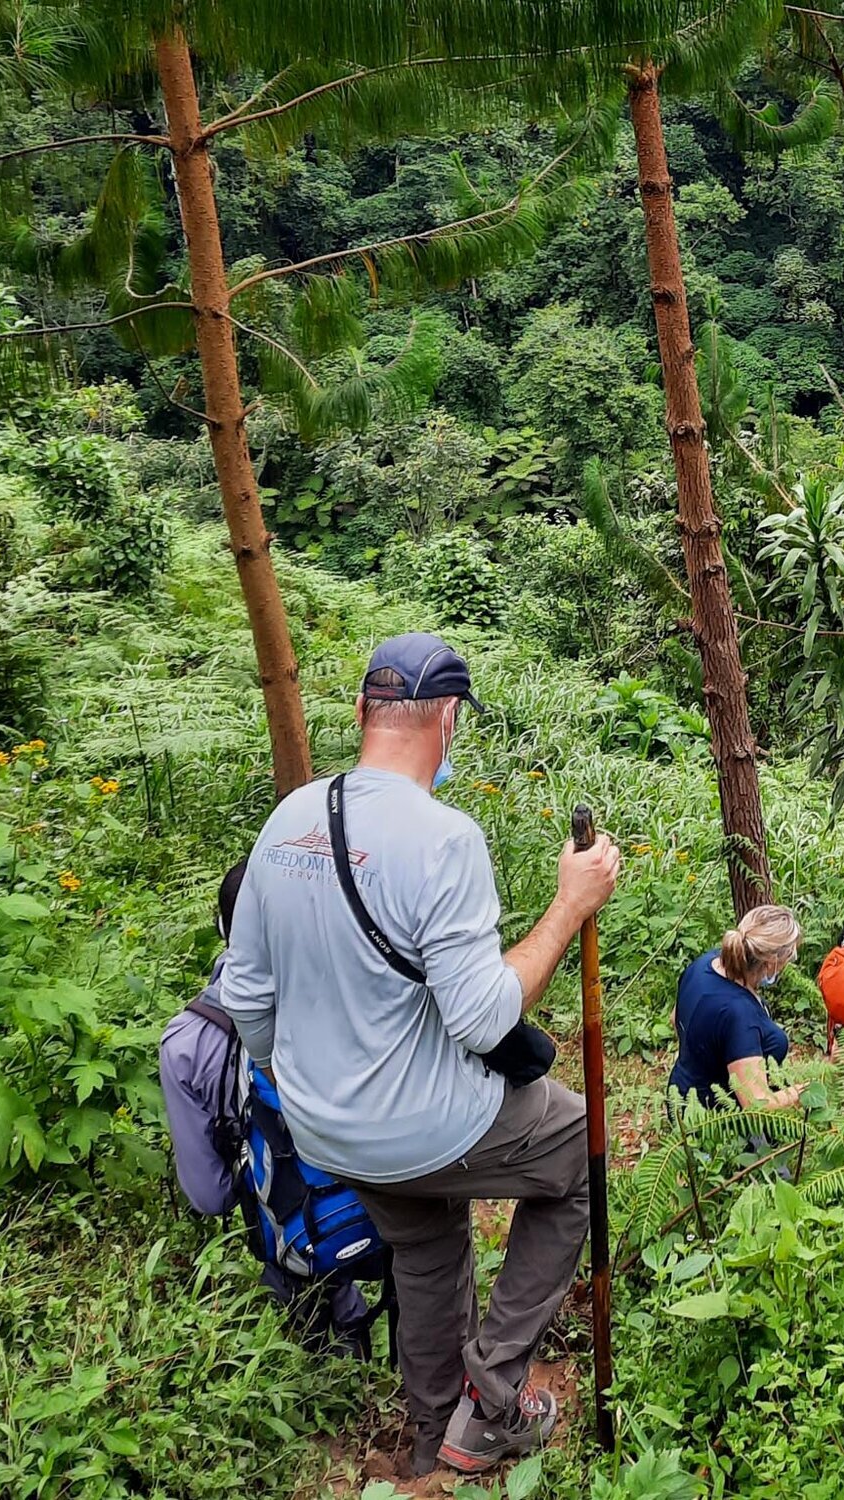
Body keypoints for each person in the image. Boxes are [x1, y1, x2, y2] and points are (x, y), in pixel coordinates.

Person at [221, 632, 621, 1478]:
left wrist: (311, 1081)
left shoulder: (287, 819)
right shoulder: (444, 839)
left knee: (430, 1247)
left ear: (363, 712)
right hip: (429, 1127)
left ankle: (432, 1425)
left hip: (326, 1130)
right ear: (447, 720)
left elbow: (248, 1002)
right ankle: (491, 1399)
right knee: (579, 1153)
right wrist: (569, 905)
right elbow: (479, 1017)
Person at [159, 861, 372, 1354]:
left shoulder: (185, 1044)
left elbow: (210, 1197)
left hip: (288, 1239)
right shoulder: (348, 996)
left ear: (221, 930)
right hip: (387, 1209)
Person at [670, 904, 807, 1109]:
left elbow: (675, 1017)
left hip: (681, 1092)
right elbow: (755, 1104)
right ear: (771, 962)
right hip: (711, 1118)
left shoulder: (705, 963)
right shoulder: (739, 1014)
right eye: (790, 957)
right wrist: (805, 1090)